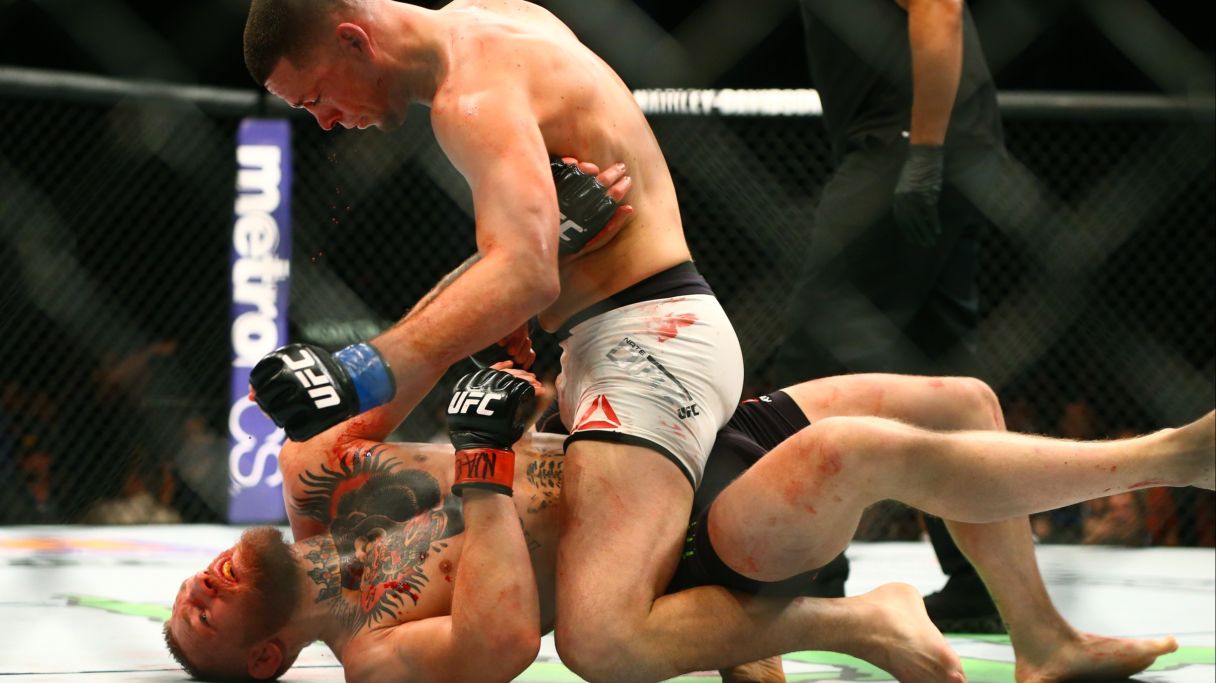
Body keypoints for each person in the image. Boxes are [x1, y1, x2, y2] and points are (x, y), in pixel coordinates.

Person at [241, 0, 748, 677]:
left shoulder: (468, 96)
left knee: (600, 638)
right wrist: (545, 254)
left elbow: (524, 272)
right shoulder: (495, 20)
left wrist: (362, 367)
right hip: (604, 346)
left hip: (650, 339)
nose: (326, 121)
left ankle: (854, 620)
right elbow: (528, 265)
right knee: (318, 458)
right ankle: (704, 559)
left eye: (316, 97)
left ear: (354, 39)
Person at [164, 365, 1208, 682]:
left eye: (186, 591)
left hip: (659, 444)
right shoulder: (375, 653)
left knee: (965, 400)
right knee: (859, 455)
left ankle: (1041, 637)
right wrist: (486, 466)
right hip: (688, 535)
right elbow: (503, 631)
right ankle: (1175, 453)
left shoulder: (326, 494)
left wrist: (495, 391)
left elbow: (476, 410)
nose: (196, 586)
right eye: (201, 621)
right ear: (263, 657)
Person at [776, 0, 1016, 631]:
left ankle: (808, 575)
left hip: (907, 144)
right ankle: (981, 584)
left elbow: (938, 9)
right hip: (940, 146)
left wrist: (923, 154)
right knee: (936, 377)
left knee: (814, 353)